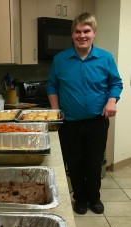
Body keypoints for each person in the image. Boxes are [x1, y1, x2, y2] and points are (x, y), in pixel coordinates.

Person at [47, 12, 123, 215]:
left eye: (86, 31)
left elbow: (115, 83)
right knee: (75, 162)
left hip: (97, 122)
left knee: (94, 161)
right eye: (78, 31)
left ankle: (94, 198)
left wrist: (111, 100)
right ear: (72, 34)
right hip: (69, 123)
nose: (82, 35)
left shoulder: (105, 58)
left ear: (94, 33)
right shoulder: (60, 59)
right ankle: (80, 198)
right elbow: (52, 86)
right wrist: (55, 111)